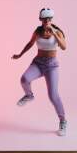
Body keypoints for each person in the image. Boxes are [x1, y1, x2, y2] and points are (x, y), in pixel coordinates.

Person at [11, 8, 68, 136]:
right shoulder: (37, 31)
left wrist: (54, 32)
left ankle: (63, 121)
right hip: (38, 63)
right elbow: (30, 43)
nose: (47, 21)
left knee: (53, 95)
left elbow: (64, 47)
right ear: (41, 19)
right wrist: (20, 54)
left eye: (49, 18)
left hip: (51, 66)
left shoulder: (57, 31)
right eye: (45, 19)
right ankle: (29, 95)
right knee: (24, 79)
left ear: (51, 19)